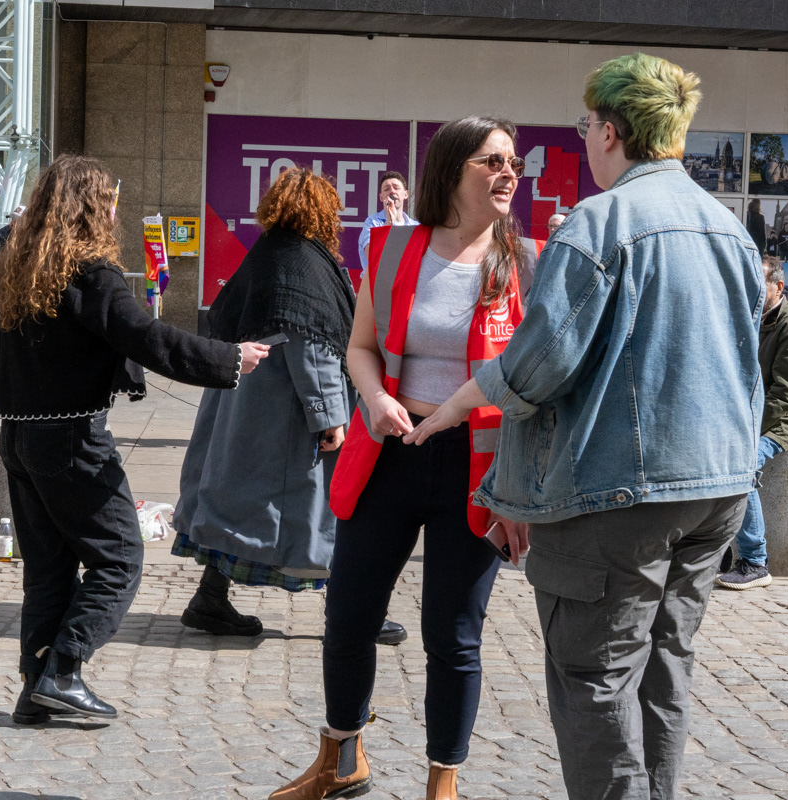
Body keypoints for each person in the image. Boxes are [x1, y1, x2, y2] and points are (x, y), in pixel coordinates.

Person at [408, 54, 763, 800]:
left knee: (595, 677)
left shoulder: (601, 223)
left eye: (586, 125)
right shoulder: (726, 226)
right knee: (664, 669)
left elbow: (539, 365)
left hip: (617, 495)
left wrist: (459, 402)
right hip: (717, 490)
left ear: (609, 131)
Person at [272, 117, 538, 800]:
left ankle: (442, 782)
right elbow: (360, 346)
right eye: (493, 161)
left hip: (476, 466)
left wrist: (523, 492)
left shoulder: (526, 263)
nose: (509, 173)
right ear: (451, 169)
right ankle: (341, 760)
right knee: (348, 616)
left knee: (452, 634)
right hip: (388, 452)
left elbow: (535, 383)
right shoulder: (394, 248)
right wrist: (374, 396)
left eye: (514, 163)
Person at [0, 154, 269, 723]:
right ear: (93, 209)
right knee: (120, 558)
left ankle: (35, 689)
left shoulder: (19, 272)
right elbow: (149, 338)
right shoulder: (92, 275)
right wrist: (230, 358)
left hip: (18, 441)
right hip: (70, 442)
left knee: (48, 571)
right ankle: (64, 670)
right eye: (109, 203)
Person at [171, 167, 404, 645]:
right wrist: (331, 419)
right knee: (336, 508)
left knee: (233, 503)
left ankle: (210, 599)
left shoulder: (267, 254)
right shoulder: (304, 263)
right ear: (321, 212)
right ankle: (352, 613)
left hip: (242, 409)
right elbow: (312, 348)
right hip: (285, 416)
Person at [718, 255, 788, 590]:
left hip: (775, 425)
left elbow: (786, 398)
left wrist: (743, 429)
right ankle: (714, 549)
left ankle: (755, 560)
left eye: (758, 282)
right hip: (740, 418)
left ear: (779, 286)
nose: (751, 288)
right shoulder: (747, 320)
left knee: (740, 465)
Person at [358, 170, 417, 275]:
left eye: (396, 188)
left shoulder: (416, 227)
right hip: (377, 282)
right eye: (387, 189)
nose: (392, 191)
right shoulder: (372, 222)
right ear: (381, 197)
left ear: (405, 194)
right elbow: (372, 256)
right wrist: (389, 221)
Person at [0, 205, 26, 271]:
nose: (12, 223)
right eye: (12, 219)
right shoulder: (2, 233)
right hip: (5, 275)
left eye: (17, 220)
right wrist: (8, 262)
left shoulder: (32, 236)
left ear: (26, 222)